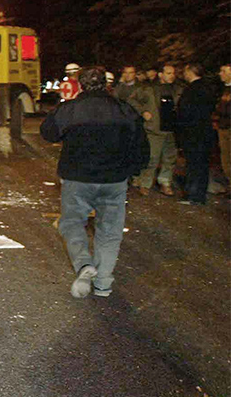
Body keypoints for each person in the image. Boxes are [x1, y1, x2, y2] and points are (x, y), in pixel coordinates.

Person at [40, 67, 148, 299]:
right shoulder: (124, 110)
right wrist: (133, 171)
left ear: (81, 85)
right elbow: (141, 144)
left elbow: (48, 132)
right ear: (107, 85)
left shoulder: (71, 109)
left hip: (77, 178)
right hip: (114, 179)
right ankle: (103, 283)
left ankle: (83, 264)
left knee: (71, 223)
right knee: (110, 230)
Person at [131, 63, 182, 196]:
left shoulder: (177, 89)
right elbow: (132, 100)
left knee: (170, 158)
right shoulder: (149, 89)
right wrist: (143, 112)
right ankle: (145, 183)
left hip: (172, 129)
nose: (172, 76)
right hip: (155, 129)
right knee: (152, 158)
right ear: (161, 75)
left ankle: (165, 182)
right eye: (168, 73)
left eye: (173, 73)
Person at [176, 64, 219, 205]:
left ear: (190, 72)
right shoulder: (208, 88)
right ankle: (199, 195)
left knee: (194, 164)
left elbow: (185, 111)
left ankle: (193, 195)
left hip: (193, 131)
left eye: (185, 71)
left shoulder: (192, 89)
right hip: (205, 130)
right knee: (202, 163)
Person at [218, 64, 231, 191]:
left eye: (224, 71)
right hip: (224, 127)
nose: (220, 73)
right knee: (226, 159)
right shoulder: (225, 89)